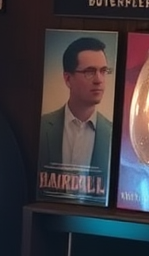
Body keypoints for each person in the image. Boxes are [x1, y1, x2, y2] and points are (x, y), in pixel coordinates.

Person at [39, 36, 113, 186]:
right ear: (68, 79)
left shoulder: (113, 133)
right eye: (90, 72)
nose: (99, 80)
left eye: (103, 71)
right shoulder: (43, 126)